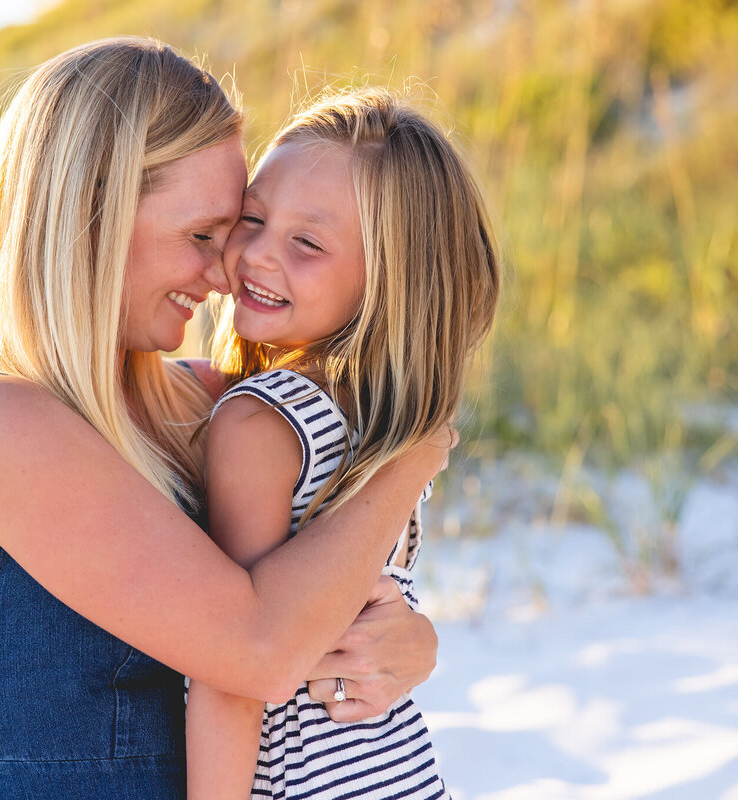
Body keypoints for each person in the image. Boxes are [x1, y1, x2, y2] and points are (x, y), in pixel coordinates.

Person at [0, 38, 447, 799]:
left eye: (234, 231)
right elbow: (257, 650)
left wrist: (411, 644)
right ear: (87, 211)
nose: (226, 274)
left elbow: (327, 593)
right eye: (201, 236)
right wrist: (415, 455)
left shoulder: (207, 403)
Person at [185, 90, 501, 799]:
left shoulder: (261, 423)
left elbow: (232, 673)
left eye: (307, 243)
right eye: (254, 219)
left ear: (387, 281)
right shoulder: (392, 421)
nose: (259, 255)